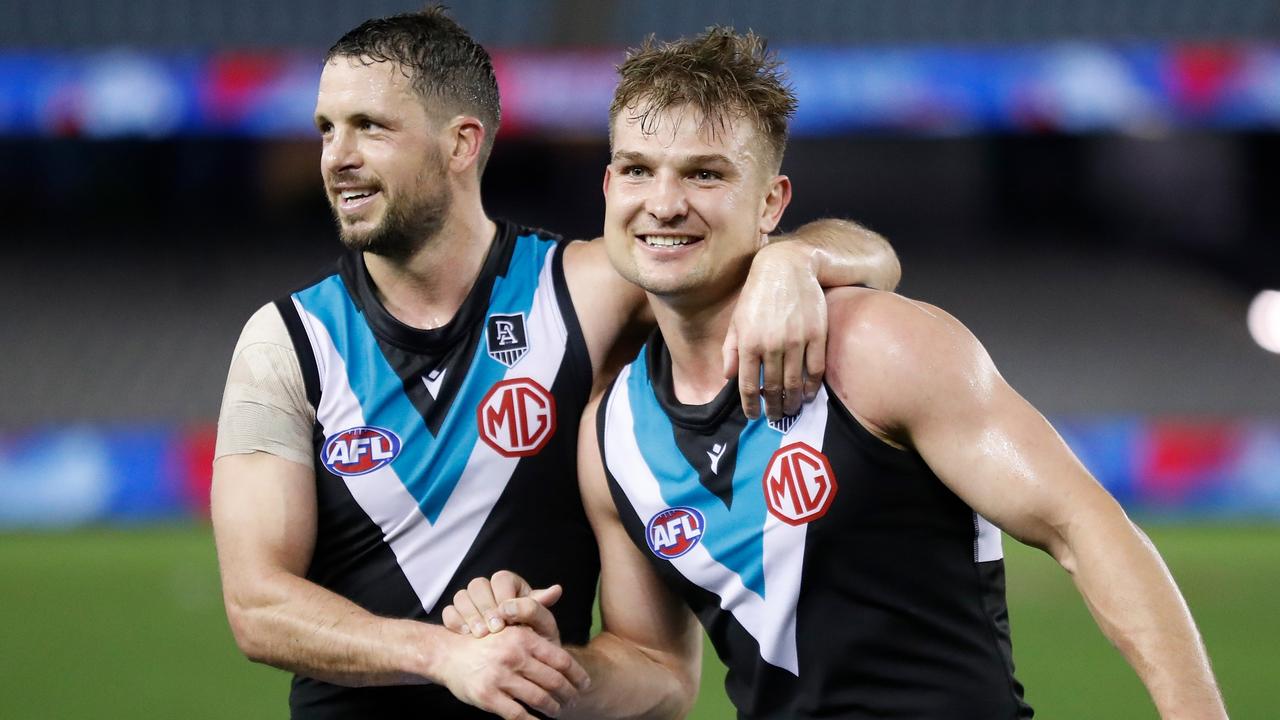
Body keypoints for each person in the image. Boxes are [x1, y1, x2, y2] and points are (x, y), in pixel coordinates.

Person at [443, 27, 1229, 720]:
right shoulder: (608, 435)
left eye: (707, 175)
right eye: (639, 171)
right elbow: (655, 669)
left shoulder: (876, 348)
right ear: (609, 189)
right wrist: (552, 667)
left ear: (770, 202)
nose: (666, 202)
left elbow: (1082, 528)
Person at [209, 8, 901, 720]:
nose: (335, 156)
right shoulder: (285, 343)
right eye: (328, 128)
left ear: (461, 144)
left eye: (370, 127)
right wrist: (444, 656)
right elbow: (257, 605)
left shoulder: (587, 290)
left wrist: (795, 258)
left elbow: (875, 261)